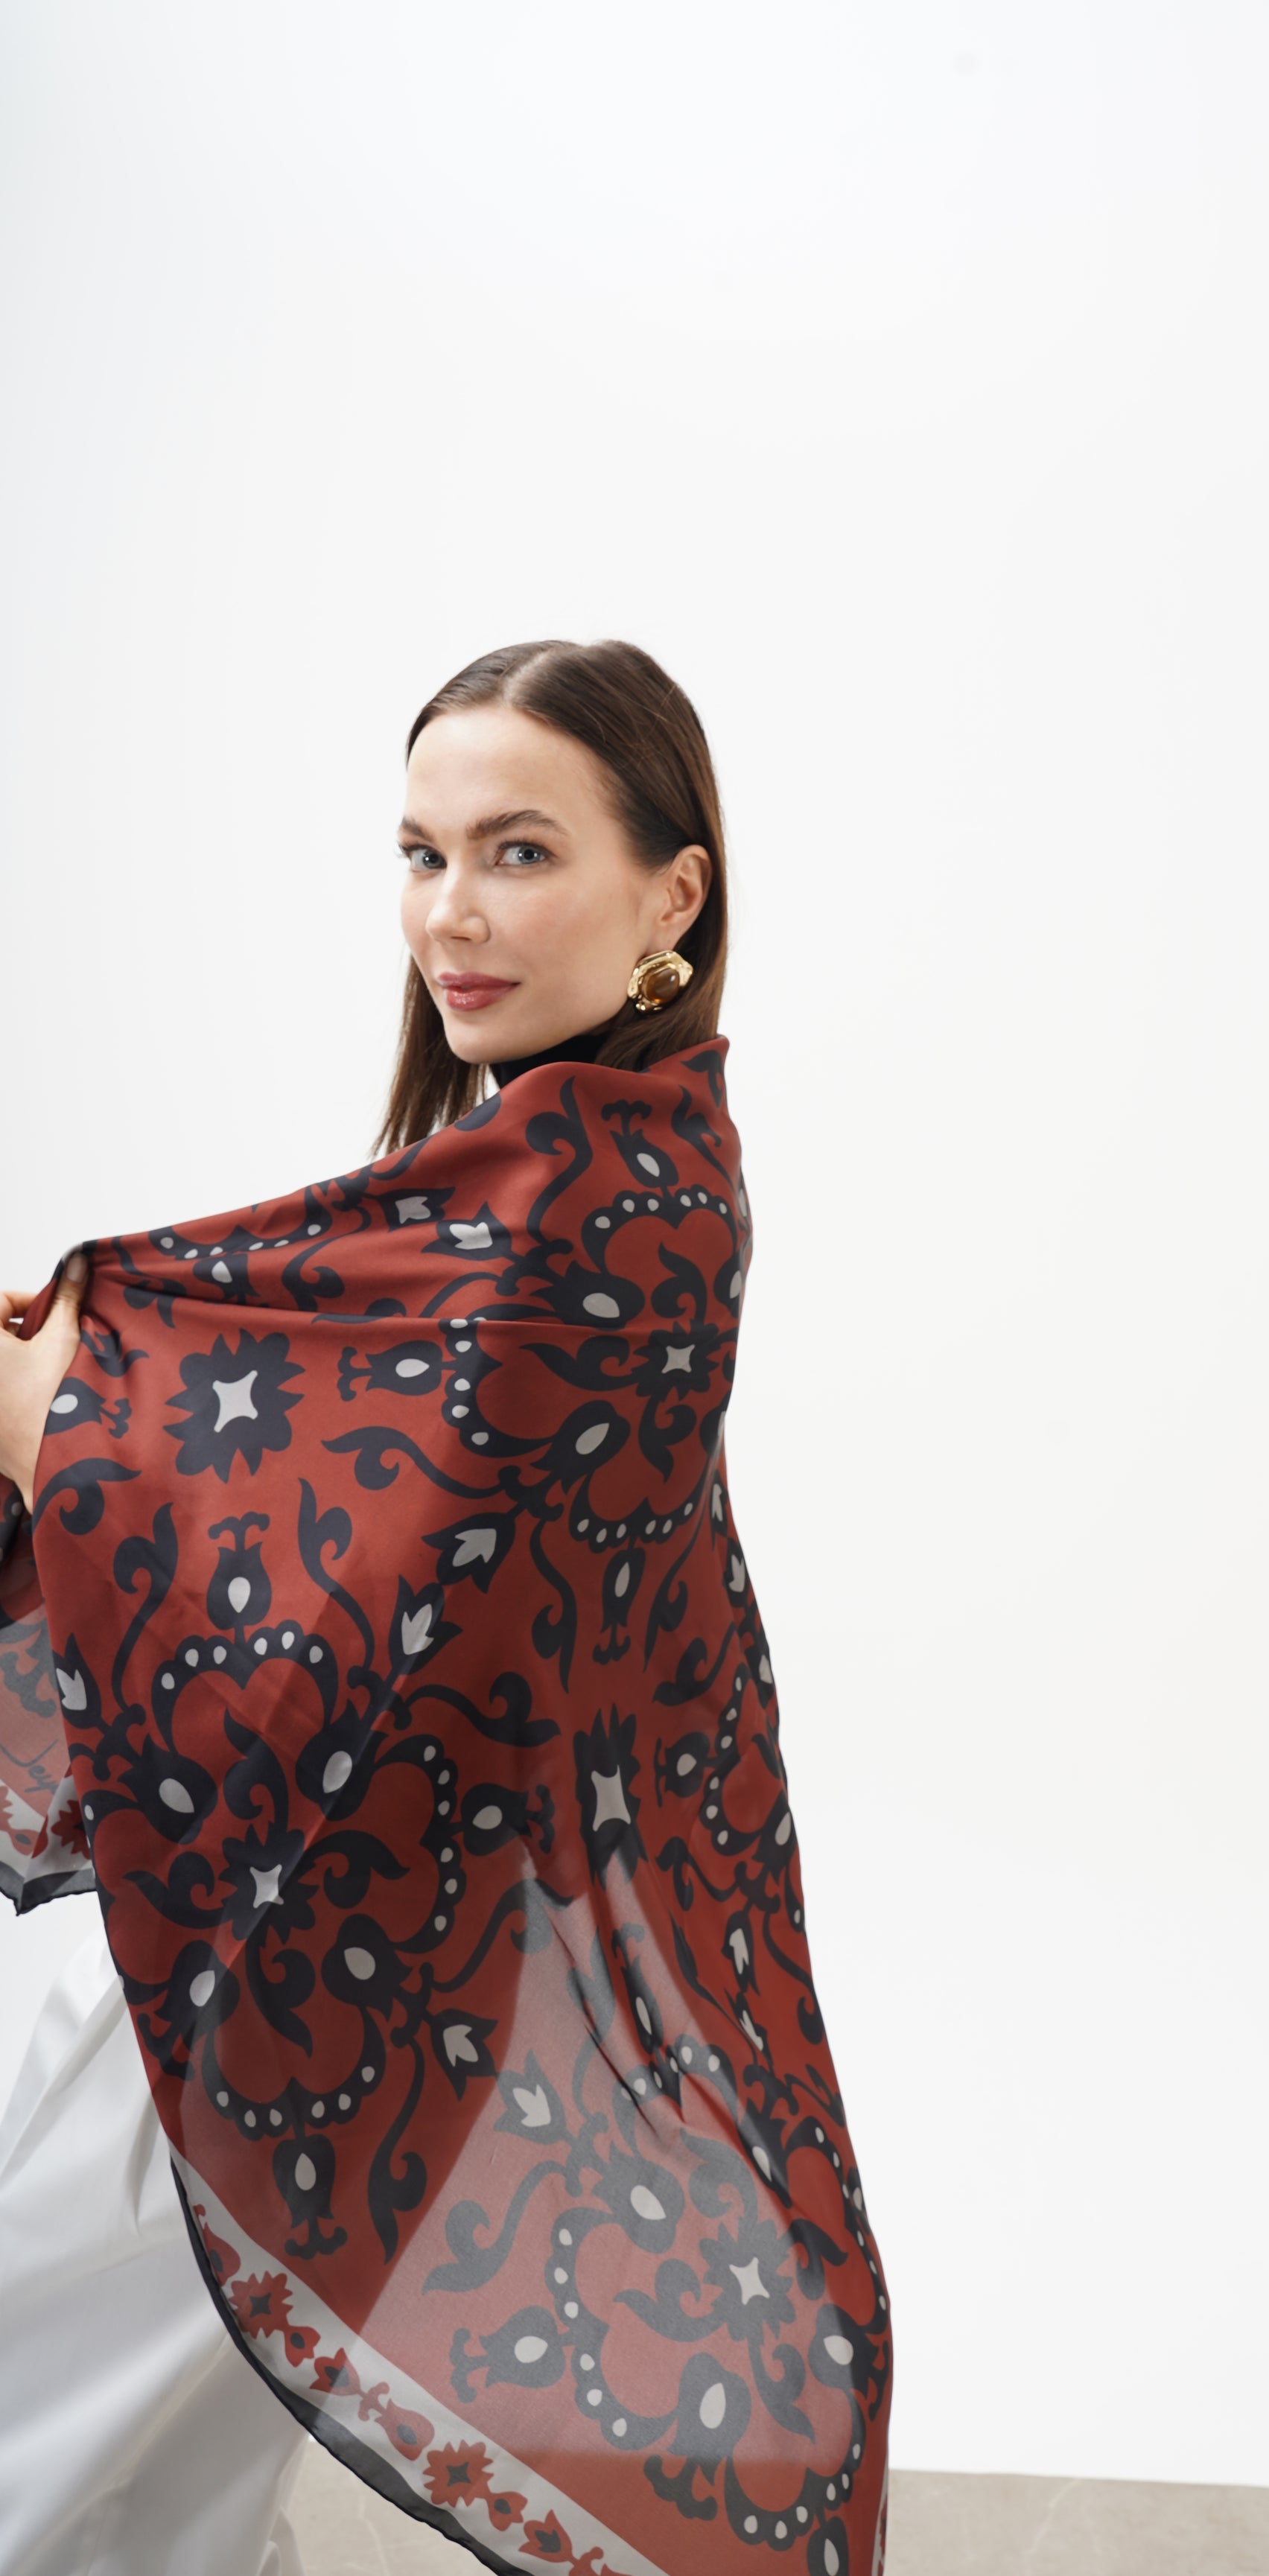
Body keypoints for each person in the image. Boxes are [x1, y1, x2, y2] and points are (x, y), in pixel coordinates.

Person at [0, 640, 891, 2576]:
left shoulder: (586, 1194)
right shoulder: (643, 1160)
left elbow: (324, 1550)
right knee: (144, 2474)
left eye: (518, 851)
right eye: (421, 853)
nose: (451, 916)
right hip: (386, 1949)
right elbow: (356, 1508)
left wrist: (54, 1391)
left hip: (316, 1950)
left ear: (672, 893)